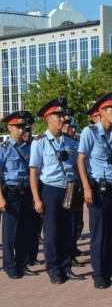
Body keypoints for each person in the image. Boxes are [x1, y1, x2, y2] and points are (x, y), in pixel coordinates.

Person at [29, 97, 84, 284]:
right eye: (57, 115)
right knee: (52, 231)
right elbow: (34, 172)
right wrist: (37, 198)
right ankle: (53, 268)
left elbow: (76, 166)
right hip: (51, 190)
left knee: (68, 230)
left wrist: (82, 185)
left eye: (62, 115)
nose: (62, 119)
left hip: (69, 188)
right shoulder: (40, 142)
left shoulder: (69, 141)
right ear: (48, 119)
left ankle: (66, 265)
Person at [77, 92, 112, 289]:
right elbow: (81, 160)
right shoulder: (89, 132)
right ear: (102, 112)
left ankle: (110, 270)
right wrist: (87, 187)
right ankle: (98, 274)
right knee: (99, 233)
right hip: (97, 189)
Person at [1, 110, 38, 279]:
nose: (22, 130)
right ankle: (9, 266)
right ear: (9, 127)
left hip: (26, 191)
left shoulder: (29, 147)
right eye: (18, 127)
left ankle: (22, 264)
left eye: (23, 126)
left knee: (25, 231)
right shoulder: (4, 149)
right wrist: (1, 198)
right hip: (11, 192)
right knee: (10, 233)